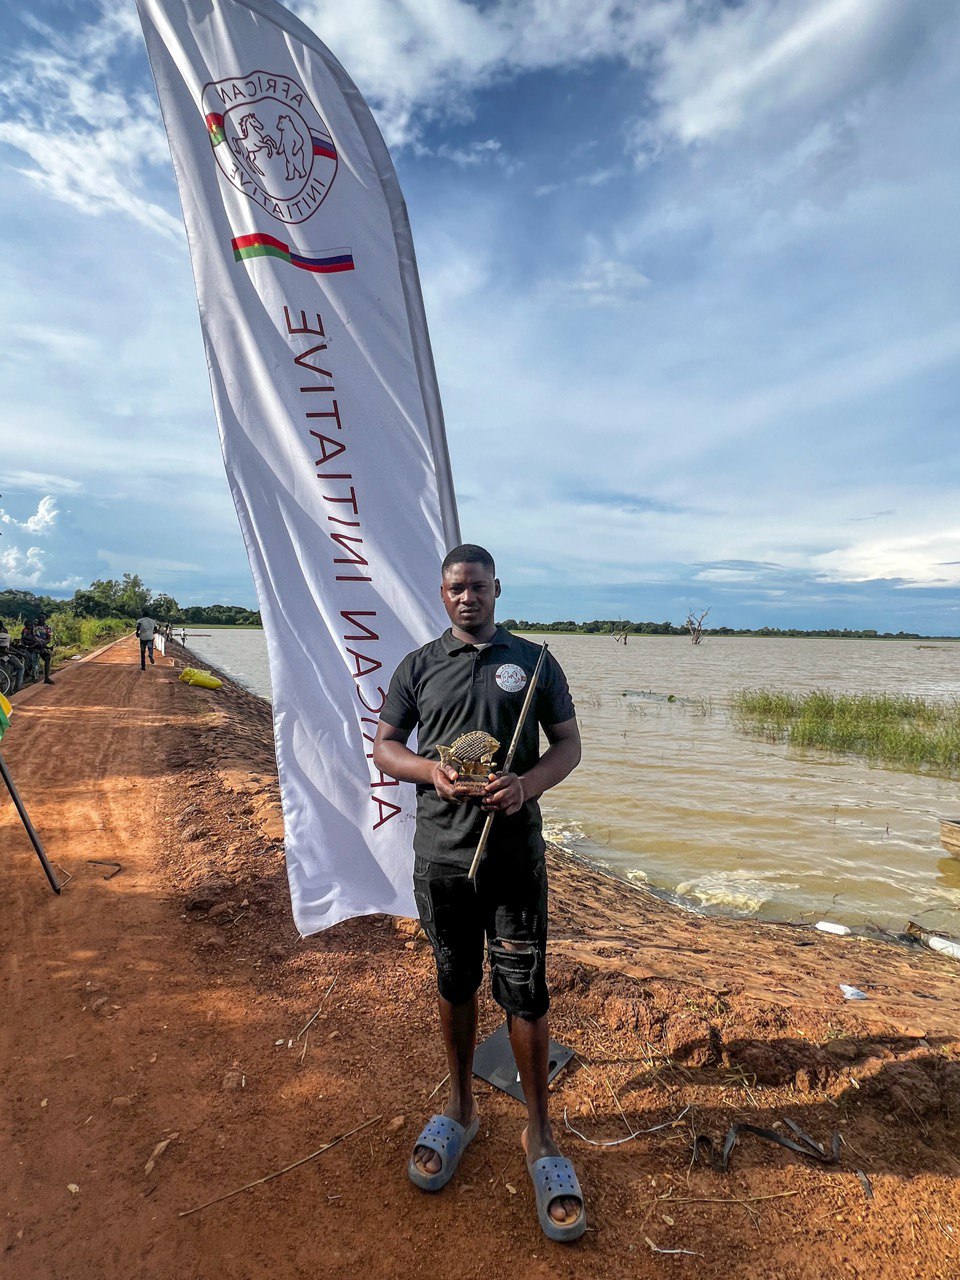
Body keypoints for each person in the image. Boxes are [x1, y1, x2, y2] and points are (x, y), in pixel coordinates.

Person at [373, 544, 586, 1242]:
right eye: (456, 588)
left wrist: (526, 785)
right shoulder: (417, 667)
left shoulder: (535, 663)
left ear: (498, 590)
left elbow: (568, 747)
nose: (468, 597)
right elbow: (384, 746)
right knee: (456, 981)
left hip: (514, 862)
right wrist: (428, 771)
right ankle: (461, 1107)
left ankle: (539, 1133)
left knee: (525, 992)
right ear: (443, 595)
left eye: (479, 587)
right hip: (442, 860)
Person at [21, 616, 54, 685]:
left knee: (47, 657)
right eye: (40, 617)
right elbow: (24, 638)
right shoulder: (31, 627)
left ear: (45, 619)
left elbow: (49, 639)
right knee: (30, 662)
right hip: (31, 647)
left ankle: (46, 678)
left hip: (39, 646)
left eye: (43, 617)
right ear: (37, 618)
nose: (41, 619)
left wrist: (42, 643)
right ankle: (29, 676)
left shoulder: (48, 628)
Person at [0, 622, 26, 693]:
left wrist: (18, 652)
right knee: (20, 667)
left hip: (5, 655)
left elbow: (9, 646)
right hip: (4, 656)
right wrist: (17, 653)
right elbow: (4, 650)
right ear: (2, 627)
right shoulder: (5, 635)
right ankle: (17, 687)